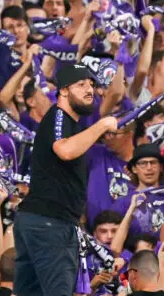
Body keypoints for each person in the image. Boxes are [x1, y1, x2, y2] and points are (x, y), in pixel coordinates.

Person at [14, 64, 118, 295]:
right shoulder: (58, 115)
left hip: (38, 221)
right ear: (63, 91)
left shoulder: (71, 124)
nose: (89, 89)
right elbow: (65, 150)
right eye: (81, 85)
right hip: (50, 222)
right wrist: (101, 125)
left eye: (91, 85)